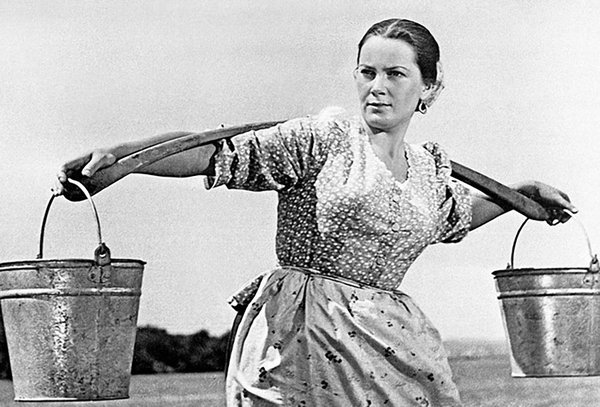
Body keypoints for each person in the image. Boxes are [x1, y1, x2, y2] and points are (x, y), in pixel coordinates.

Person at [55, 18, 576, 407]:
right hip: (304, 333)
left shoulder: (428, 170)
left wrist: (517, 194)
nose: (377, 86)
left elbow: (453, 219)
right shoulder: (322, 138)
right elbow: (212, 151)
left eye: (395, 73)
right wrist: (124, 158)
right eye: (367, 72)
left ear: (430, 88)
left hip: (394, 343)